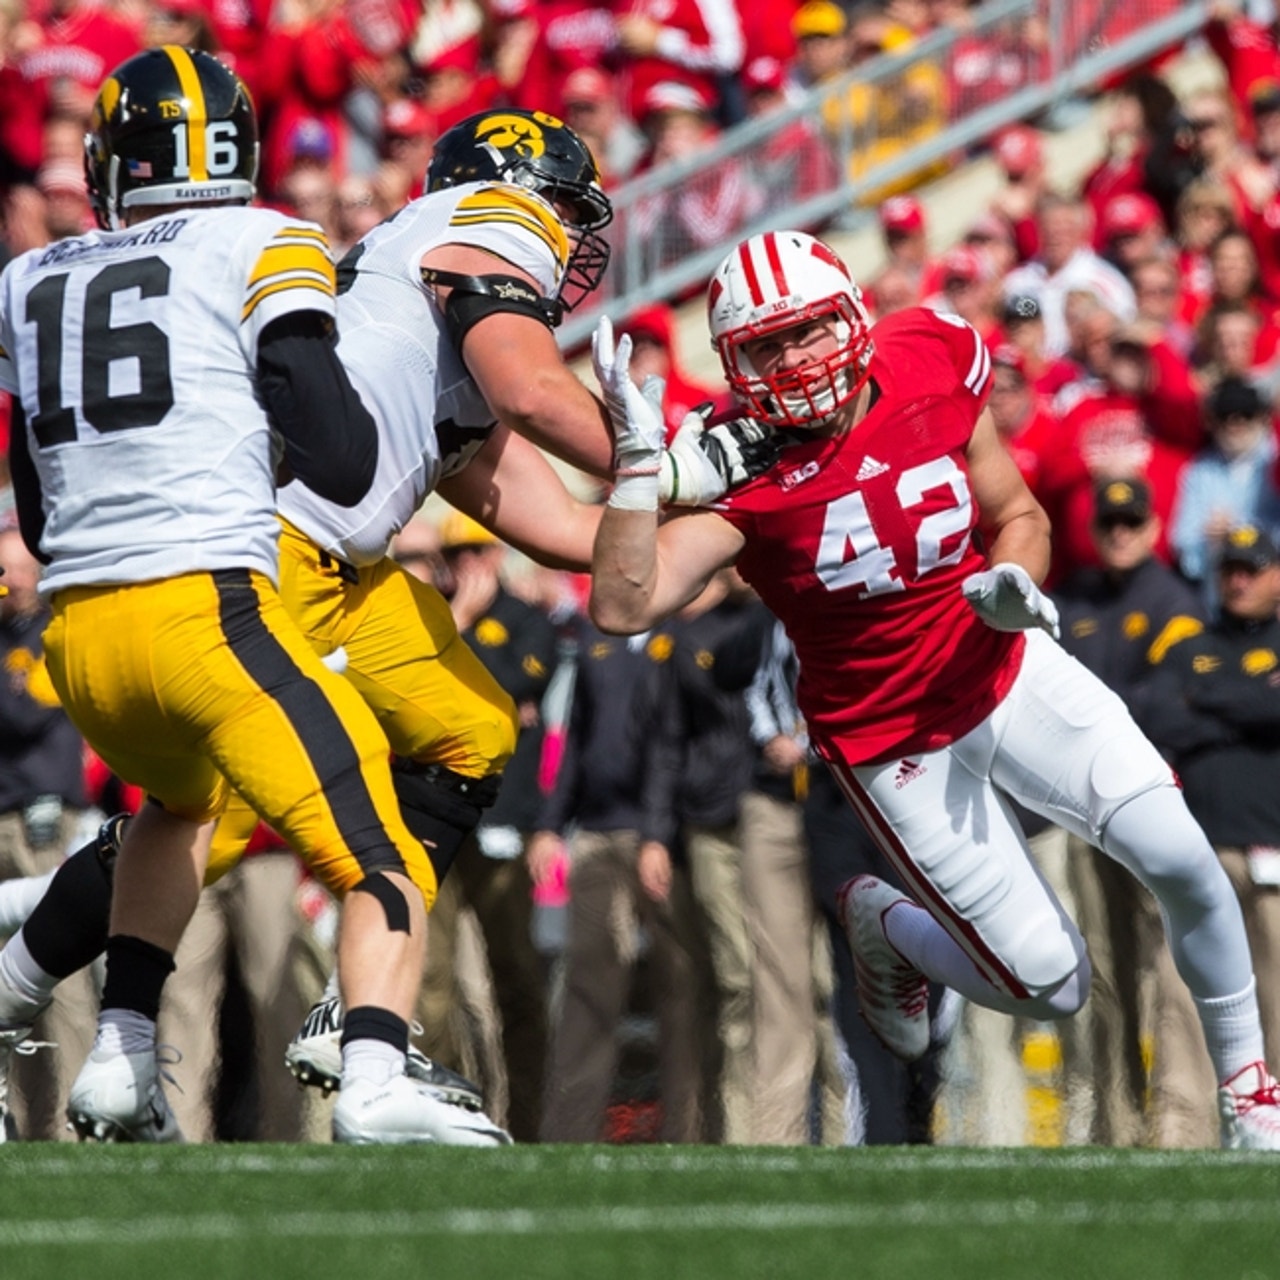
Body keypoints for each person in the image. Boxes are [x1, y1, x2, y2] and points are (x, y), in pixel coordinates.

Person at [0, 97, 772, 1141]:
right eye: (566, 209)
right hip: (269, 551)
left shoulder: (415, 296)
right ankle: (30, 972)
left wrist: (724, 504)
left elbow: (555, 525)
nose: (569, 238)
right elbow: (536, 391)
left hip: (335, 565)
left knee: (472, 728)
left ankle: (343, 1004)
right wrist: (678, 456)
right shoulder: (496, 217)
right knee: (217, 818)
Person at [587, 227, 1280, 1149]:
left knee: (1183, 857)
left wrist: (1018, 580)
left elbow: (1019, 514)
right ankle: (889, 928)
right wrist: (639, 479)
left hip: (1000, 668)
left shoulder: (934, 355)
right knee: (1052, 985)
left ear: (854, 318)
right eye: (768, 345)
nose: (794, 361)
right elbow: (623, 603)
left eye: (808, 332)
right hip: (892, 739)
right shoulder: (738, 463)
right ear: (734, 362)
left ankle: (1250, 1098)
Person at [0, 46, 467, 1147]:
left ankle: (119, 1051)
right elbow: (342, 453)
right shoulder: (264, 239)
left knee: (177, 811)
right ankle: (372, 1075)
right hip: (204, 615)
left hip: (79, 639)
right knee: (386, 849)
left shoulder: (30, 276)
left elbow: (32, 481)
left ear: (118, 159)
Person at [1139, 523, 1280, 1146]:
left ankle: (1267, 1117)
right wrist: (1247, 706)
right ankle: (1183, 1127)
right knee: (1183, 996)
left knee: (1277, 994)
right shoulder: (1188, 644)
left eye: (1252, 568)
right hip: (1202, 852)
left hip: (1273, 850)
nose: (1239, 580)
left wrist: (1210, 702)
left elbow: (1208, 708)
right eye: (1230, 569)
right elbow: (1154, 712)